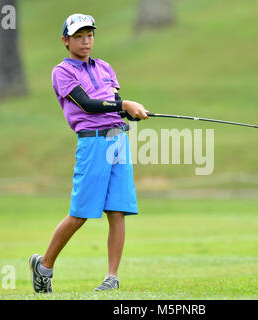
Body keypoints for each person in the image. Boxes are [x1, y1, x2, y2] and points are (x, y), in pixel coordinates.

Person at [29, 13, 149, 294]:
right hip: (92, 144)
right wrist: (125, 104)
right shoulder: (62, 71)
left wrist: (132, 112)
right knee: (80, 214)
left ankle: (111, 278)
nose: (86, 41)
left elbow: (115, 104)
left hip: (118, 140)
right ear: (66, 40)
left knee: (117, 211)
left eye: (90, 35)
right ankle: (44, 266)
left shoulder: (105, 67)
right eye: (79, 36)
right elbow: (87, 104)